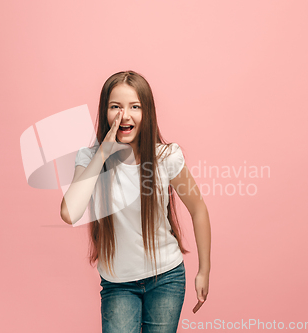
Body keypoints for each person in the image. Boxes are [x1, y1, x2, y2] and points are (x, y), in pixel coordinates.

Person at [60, 70, 211, 333]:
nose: (125, 115)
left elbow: (198, 209)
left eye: (135, 107)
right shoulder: (89, 158)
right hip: (118, 284)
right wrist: (103, 152)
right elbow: (70, 213)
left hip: (166, 278)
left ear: (147, 112)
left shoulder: (166, 157)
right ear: (105, 111)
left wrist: (204, 270)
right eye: (115, 107)